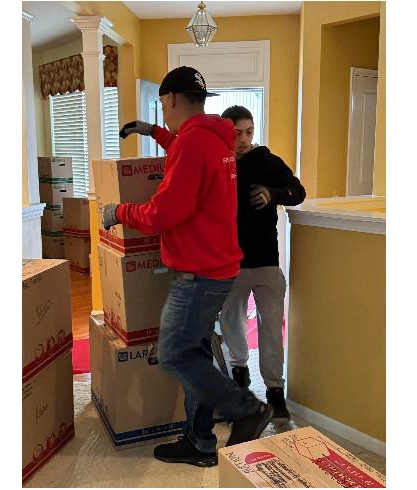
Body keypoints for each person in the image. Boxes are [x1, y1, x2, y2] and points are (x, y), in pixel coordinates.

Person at [102, 67, 273, 468]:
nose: (163, 110)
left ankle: (246, 408)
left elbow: (165, 212)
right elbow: (186, 152)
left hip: (200, 273)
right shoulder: (214, 138)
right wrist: (154, 133)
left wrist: (118, 211)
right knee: (195, 354)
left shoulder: (194, 143)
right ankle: (200, 442)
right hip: (217, 266)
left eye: (162, 104)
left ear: (172, 99)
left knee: (175, 354)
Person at [219, 105, 306, 419]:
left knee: (271, 330)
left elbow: (298, 192)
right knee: (232, 323)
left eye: (249, 132)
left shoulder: (268, 161)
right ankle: (239, 373)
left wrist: (273, 193)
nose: (243, 139)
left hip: (267, 262)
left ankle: (274, 391)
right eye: (236, 134)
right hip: (230, 263)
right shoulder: (218, 163)